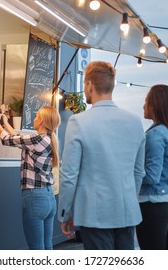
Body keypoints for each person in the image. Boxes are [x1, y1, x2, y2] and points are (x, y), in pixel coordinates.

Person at [57, 61, 145, 250]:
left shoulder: (78, 122)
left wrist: (65, 213)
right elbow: (139, 172)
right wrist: (128, 198)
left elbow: (69, 175)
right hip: (127, 213)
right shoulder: (135, 122)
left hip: (94, 214)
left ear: (89, 85)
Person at [0, 106, 60, 250]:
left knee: (36, 249)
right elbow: (18, 138)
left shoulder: (36, 139)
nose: (34, 118)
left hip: (34, 198)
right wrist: (4, 121)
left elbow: (6, 139)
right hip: (49, 197)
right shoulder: (46, 139)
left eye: (36, 116)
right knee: (47, 247)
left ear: (41, 121)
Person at [135, 84, 168, 250]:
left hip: (154, 204)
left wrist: (127, 176)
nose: (143, 105)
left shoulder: (154, 135)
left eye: (146, 101)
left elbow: (151, 177)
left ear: (155, 105)